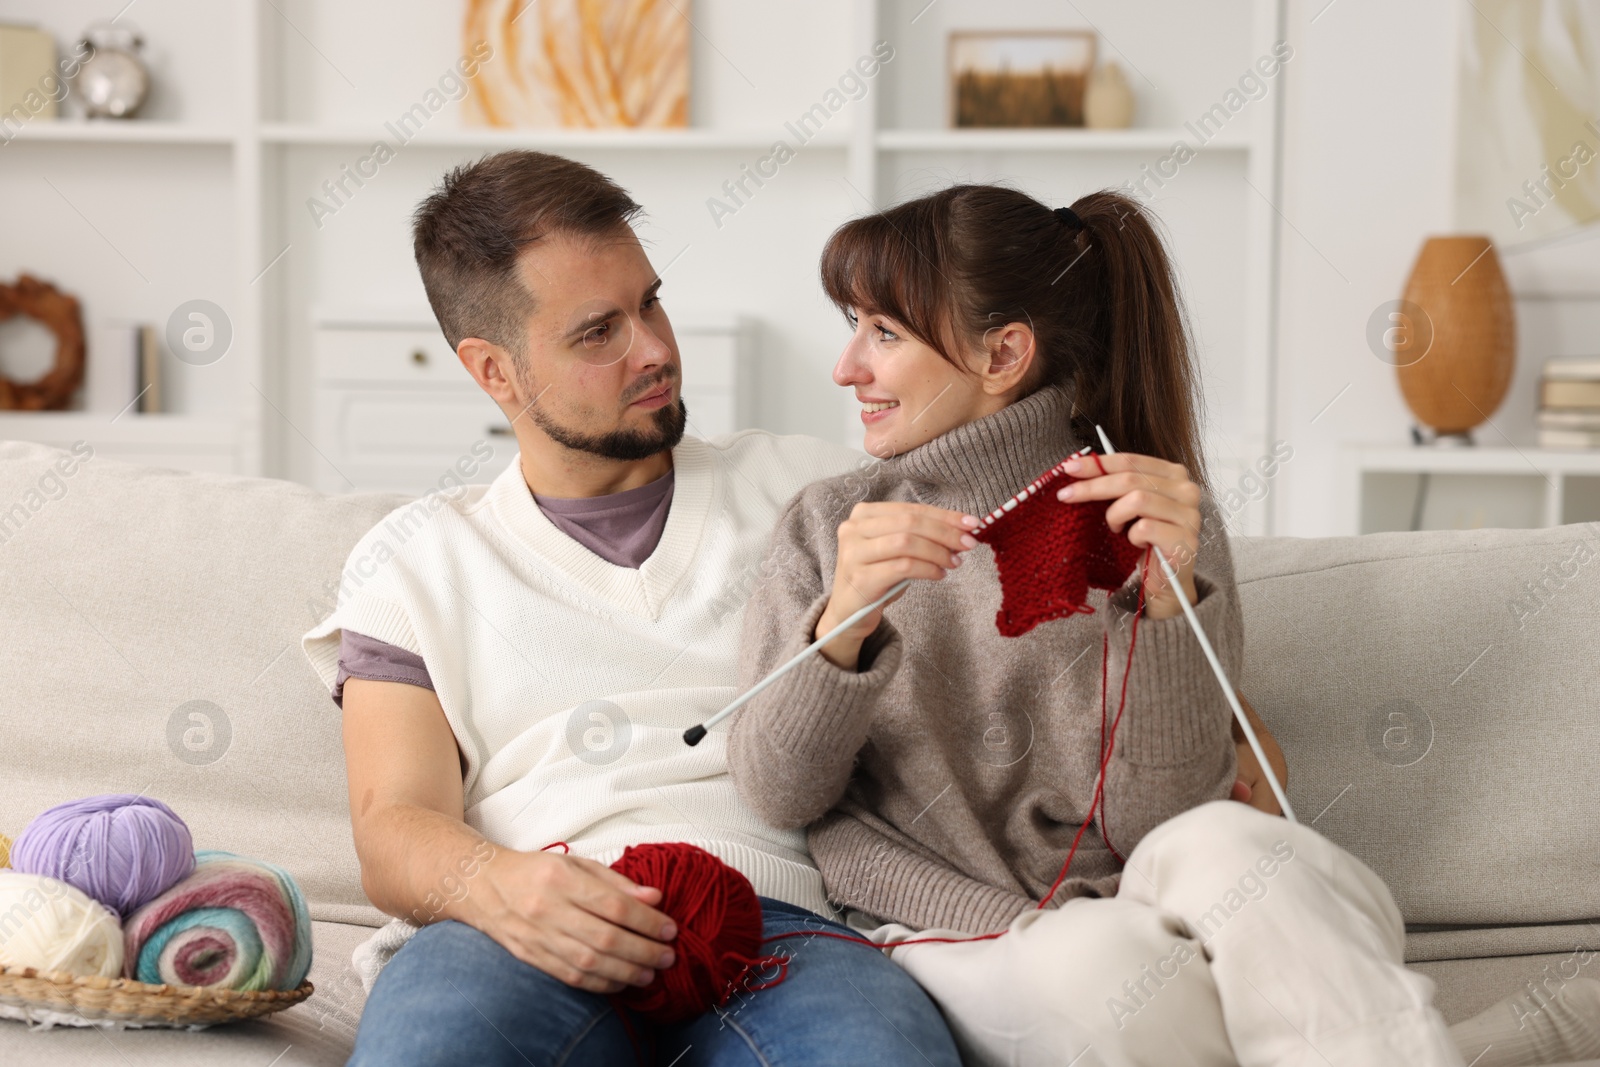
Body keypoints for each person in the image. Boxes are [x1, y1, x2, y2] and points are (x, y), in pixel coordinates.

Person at [725, 183, 1600, 1067]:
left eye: (884, 332)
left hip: (1148, 899)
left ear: (1004, 353)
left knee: (1246, 850)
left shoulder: (1150, 513)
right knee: (1110, 962)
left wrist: (1171, 606)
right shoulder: (831, 523)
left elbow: (1165, 820)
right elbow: (778, 792)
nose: (846, 367)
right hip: (954, 932)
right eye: (855, 325)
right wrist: (843, 624)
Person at [299, 150, 966, 1066]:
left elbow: (1031, 595)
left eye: (650, 302)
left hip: (785, 923)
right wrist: (499, 885)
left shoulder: (812, 490)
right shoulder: (415, 563)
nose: (654, 348)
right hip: (523, 920)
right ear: (494, 371)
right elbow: (394, 824)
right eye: (597, 332)